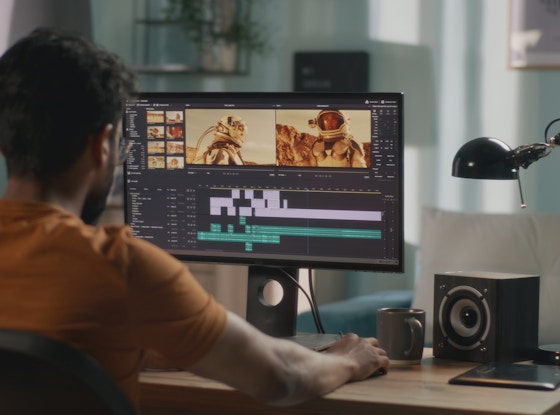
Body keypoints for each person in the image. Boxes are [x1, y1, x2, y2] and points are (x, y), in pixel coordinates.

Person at [0, 28, 389, 411]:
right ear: (102, 145)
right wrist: (349, 360)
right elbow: (279, 377)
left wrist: (164, 346)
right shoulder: (120, 266)